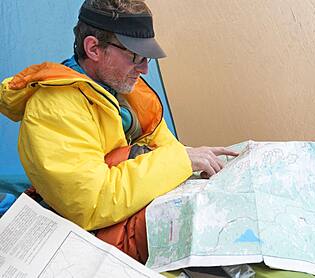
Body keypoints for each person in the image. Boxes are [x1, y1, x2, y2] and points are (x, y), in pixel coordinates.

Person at [0, 0, 237, 263]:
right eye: (135, 56)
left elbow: (166, 149)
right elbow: (90, 203)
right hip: (89, 228)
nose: (145, 69)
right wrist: (181, 160)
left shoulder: (125, 91)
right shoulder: (54, 107)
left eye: (147, 58)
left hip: (126, 211)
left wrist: (193, 158)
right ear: (93, 48)